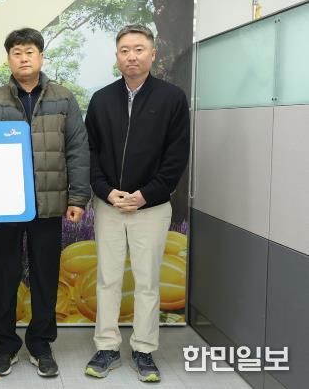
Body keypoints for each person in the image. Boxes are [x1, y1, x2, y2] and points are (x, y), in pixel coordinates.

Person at [0, 28, 89, 378]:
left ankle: (41, 344)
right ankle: (5, 345)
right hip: (6, 206)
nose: (23, 58)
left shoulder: (63, 98)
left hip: (49, 204)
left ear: (41, 56)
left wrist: (78, 196)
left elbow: (77, 148)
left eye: (29, 51)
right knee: (5, 276)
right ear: (8, 59)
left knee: (45, 276)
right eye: (16, 52)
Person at [84, 24, 190, 383]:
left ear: (153, 54)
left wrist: (147, 194)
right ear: (117, 56)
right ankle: (107, 347)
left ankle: (144, 349)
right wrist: (105, 191)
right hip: (110, 205)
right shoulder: (101, 100)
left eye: (139, 49)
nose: (132, 56)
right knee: (108, 279)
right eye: (125, 50)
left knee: (147, 282)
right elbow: (90, 152)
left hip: (152, 207)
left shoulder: (172, 98)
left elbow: (176, 156)